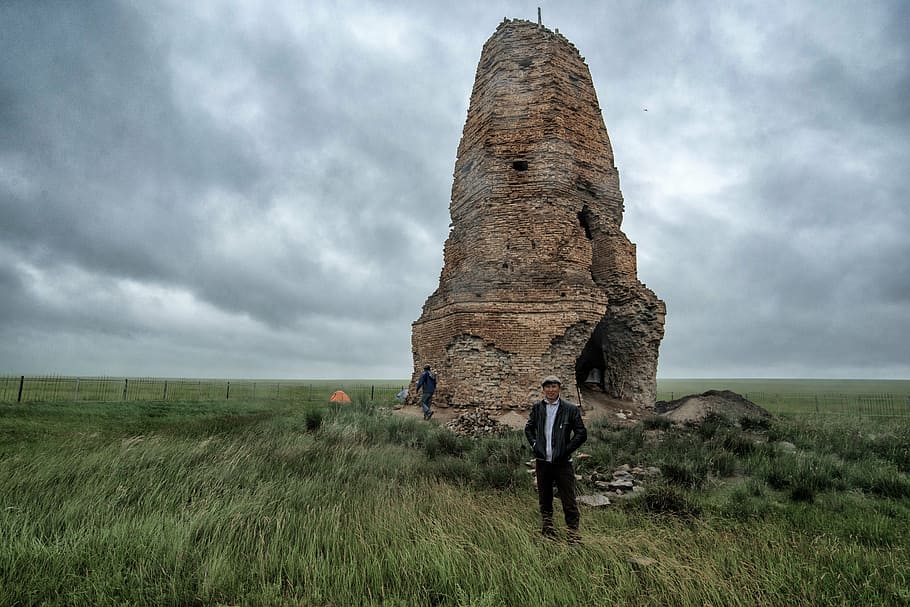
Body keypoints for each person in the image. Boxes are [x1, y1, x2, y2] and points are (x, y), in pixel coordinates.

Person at [524, 375, 587, 541]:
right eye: (547, 387)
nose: (551, 390)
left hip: (562, 463)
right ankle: (548, 531)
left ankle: (573, 535)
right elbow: (529, 429)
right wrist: (535, 445)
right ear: (543, 389)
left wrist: (566, 450)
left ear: (559, 388)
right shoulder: (538, 408)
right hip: (543, 462)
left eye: (554, 386)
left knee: (568, 500)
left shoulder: (570, 409)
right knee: (545, 499)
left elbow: (581, 433)